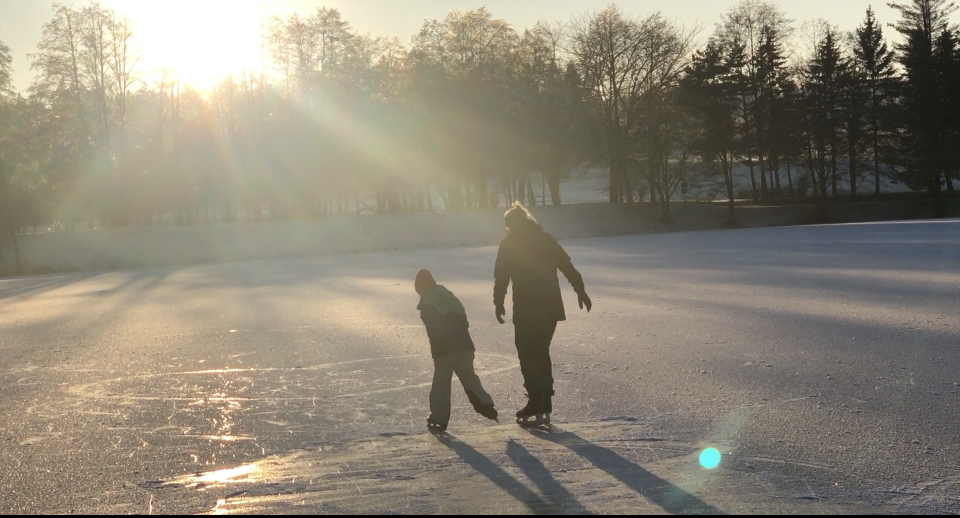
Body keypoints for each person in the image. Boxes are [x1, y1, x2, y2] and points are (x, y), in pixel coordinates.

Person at [493, 202, 591, 426]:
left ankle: (538, 399)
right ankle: (544, 398)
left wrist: (498, 302)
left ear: (510, 224)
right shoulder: (545, 238)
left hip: (528, 307)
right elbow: (566, 265)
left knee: (527, 352)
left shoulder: (509, 244)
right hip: (549, 306)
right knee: (540, 351)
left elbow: (501, 277)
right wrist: (580, 290)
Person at [415, 268, 499, 433]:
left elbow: (434, 329)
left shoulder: (427, 302)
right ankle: (486, 405)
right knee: (469, 377)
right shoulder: (449, 296)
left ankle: (438, 418)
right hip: (465, 344)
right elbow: (464, 321)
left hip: (445, 347)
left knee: (441, 383)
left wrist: (439, 349)